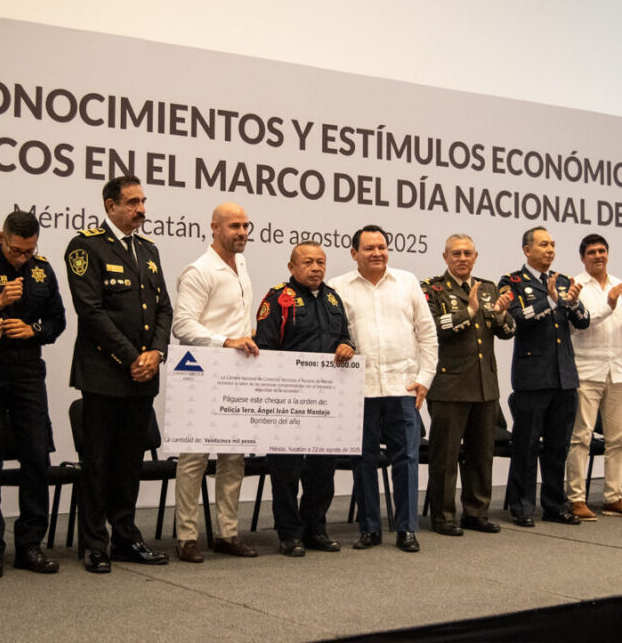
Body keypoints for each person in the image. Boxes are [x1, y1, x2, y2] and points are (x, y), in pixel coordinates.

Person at [65, 175, 171, 574]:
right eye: (131, 202)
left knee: (130, 462)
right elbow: (90, 311)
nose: (140, 209)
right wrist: (133, 357)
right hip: (104, 373)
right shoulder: (86, 246)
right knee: (98, 462)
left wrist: (156, 353)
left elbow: (164, 310)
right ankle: (95, 543)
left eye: (143, 201)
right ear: (110, 206)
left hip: (143, 375)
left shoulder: (148, 249)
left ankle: (126, 536)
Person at [0, 210, 66, 577]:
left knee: (37, 457)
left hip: (28, 371)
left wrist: (33, 329)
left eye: (30, 250)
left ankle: (30, 545)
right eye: (18, 250)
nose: (24, 257)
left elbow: (58, 321)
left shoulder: (42, 269)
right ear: (2, 236)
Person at [331, 225, 437, 552]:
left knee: (405, 459)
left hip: (402, 386)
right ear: (354, 253)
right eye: (369, 248)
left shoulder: (407, 282)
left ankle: (407, 530)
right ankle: (370, 529)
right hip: (358, 390)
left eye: (382, 247)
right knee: (363, 461)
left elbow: (427, 334)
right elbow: (333, 335)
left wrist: (425, 377)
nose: (377, 253)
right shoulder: (338, 287)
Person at [171, 203, 259, 563]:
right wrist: (226, 341)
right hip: (201, 373)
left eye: (245, 226)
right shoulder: (198, 271)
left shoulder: (240, 265)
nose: (241, 232)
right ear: (214, 228)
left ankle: (226, 533)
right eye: (234, 226)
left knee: (233, 457)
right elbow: (183, 326)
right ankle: (187, 537)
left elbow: (233, 317)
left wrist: (247, 335)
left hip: (235, 375)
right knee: (193, 459)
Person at [254, 241, 355, 556]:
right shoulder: (277, 299)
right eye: (308, 262)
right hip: (288, 401)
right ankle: (289, 534)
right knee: (286, 471)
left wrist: (347, 346)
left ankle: (316, 529)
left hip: (326, 402)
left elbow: (344, 336)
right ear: (292, 267)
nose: (316, 268)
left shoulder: (333, 298)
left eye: (321, 262)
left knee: (322, 471)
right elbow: (265, 349)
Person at [422, 234, 514, 537]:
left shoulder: (488, 288)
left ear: (476, 257)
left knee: (481, 454)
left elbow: (508, 330)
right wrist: (470, 311)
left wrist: (500, 313)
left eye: (468, 254)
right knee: (445, 456)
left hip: (484, 384)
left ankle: (476, 512)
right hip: (449, 385)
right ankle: (443, 516)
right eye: (456, 254)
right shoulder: (432, 288)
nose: (462, 258)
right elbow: (434, 328)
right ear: (445, 257)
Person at [498, 226, 590, 527]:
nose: (549, 250)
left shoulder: (563, 281)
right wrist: (550, 302)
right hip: (532, 376)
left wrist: (572, 302)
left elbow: (583, 322)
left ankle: (555, 505)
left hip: (564, 375)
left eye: (552, 245)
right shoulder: (512, 281)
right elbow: (515, 319)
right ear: (527, 250)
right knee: (526, 446)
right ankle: (522, 506)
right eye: (543, 245)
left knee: (558, 446)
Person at [565, 235, 622, 520]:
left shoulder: (620, 285)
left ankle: (614, 497)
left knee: (618, 439)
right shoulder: (573, 286)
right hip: (587, 370)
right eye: (591, 252)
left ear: (608, 254)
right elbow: (576, 328)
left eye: (602, 251)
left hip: (620, 370)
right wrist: (608, 305)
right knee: (581, 437)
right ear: (582, 257)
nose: (598, 256)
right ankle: (576, 499)